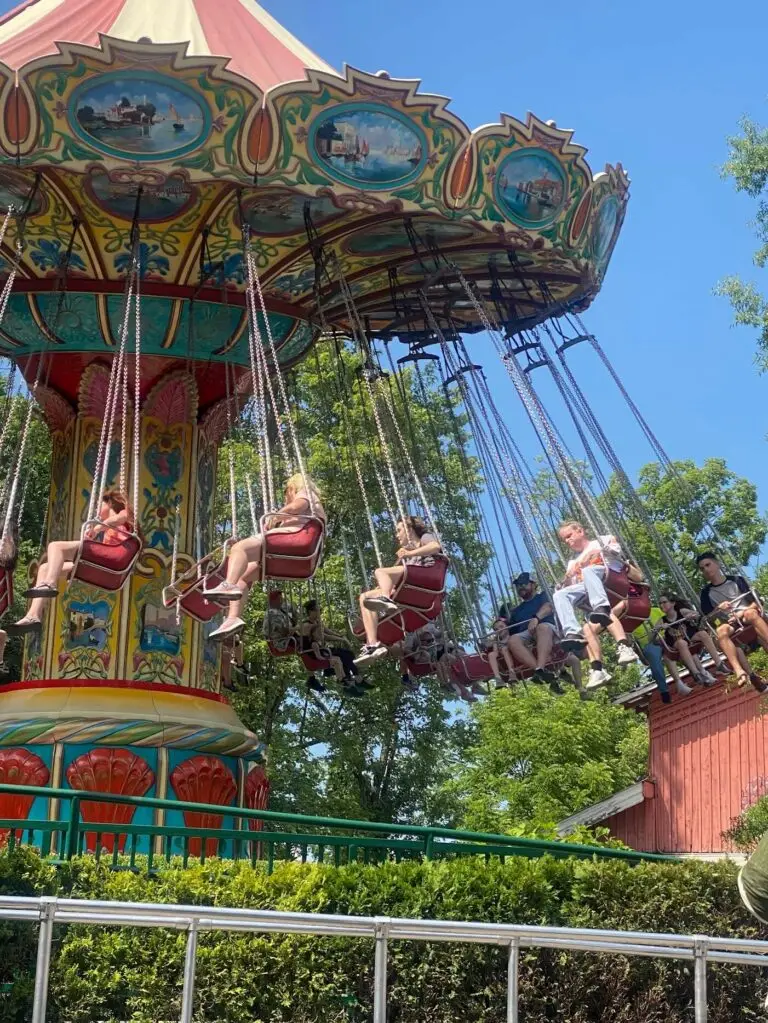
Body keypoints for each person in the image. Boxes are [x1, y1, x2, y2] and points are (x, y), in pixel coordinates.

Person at [207, 474, 325, 640]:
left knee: (239, 548)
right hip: (298, 558)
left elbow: (296, 506)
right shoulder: (312, 508)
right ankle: (233, 618)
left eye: (286, 493)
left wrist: (277, 515)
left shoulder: (305, 493)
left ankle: (228, 585)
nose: (286, 498)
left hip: (295, 539)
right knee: (243, 576)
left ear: (292, 488)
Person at [14, 488, 137, 631]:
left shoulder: (123, 514)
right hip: (105, 564)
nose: (96, 511)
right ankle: (33, 615)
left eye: (98, 505)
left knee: (56, 546)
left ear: (109, 503)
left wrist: (97, 528)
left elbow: (119, 518)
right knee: (44, 568)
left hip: (115, 556)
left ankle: (50, 583)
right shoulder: (108, 530)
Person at [552, 521, 639, 686]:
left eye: (569, 536)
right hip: (589, 587)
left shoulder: (601, 541)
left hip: (608, 577)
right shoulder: (572, 562)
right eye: (565, 540)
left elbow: (616, 551)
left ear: (580, 531)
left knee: (588, 571)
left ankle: (603, 611)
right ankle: (573, 633)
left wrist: (594, 553)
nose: (568, 541)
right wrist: (566, 580)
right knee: (560, 595)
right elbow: (571, 584)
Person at [355, 516, 443, 664]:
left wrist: (410, 553)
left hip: (425, 578)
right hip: (410, 585)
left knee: (380, 572)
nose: (397, 535)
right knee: (365, 598)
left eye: (399, 530)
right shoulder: (408, 553)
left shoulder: (424, 538)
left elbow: (435, 547)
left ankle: (386, 599)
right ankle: (372, 645)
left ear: (409, 529)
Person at [698, 552, 768, 691]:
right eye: (702, 568)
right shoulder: (706, 593)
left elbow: (756, 601)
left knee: (750, 613)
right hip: (730, 623)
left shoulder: (736, 580)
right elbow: (708, 618)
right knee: (720, 631)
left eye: (708, 565)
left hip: (747, 614)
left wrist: (742, 612)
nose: (706, 569)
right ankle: (739, 671)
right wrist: (718, 609)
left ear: (717, 563)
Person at [502, 572, 562, 689]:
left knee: (542, 627)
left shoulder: (543, 596)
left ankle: (540, 667)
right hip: (527, 635)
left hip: (547, 629)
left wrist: (536, 618)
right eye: (518, 585)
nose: (520, 587)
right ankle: (539, 670)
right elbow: (509, 630)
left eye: (523, 584)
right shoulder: (517, 610)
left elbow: (548, 607)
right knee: (513, 640)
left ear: (533, 584)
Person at [657, 593, 727, 686]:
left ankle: (719, 664)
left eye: (664, 602)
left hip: (690, 636)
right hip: (676, 642)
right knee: (682, 643)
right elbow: (652, 634)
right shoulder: (662, 620)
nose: (662, 605)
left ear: (673, 603)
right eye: (660, 603)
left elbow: (696, 614)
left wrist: (691, 615)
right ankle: (696, 673)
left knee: (703, 634)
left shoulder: (681, 611)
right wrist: (660, 627)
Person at [299, 599, 364, 689]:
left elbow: (326, 631)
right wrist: (340, 639)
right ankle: (349, 679)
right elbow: (323, 636)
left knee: (348, 654)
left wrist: (339, 636)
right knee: (344, 655)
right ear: (311, 611)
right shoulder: (307, 625)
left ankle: (350, 678)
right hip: (315, 650)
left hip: (322, 648)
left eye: (320, 610)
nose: (320, 612)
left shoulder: (317, 622)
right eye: (318, 610)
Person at [484, 615, 517, 686]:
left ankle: (512, 672)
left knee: (504, 649)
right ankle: (498, 678)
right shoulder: (497, 640)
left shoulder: (512, 637)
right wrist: (492, 644)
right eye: (496, 629)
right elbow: (495, 651)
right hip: (502, 653)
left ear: (507, 626)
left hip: (511, 652)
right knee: (491, 654)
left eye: (501, 627)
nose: (499, 630)